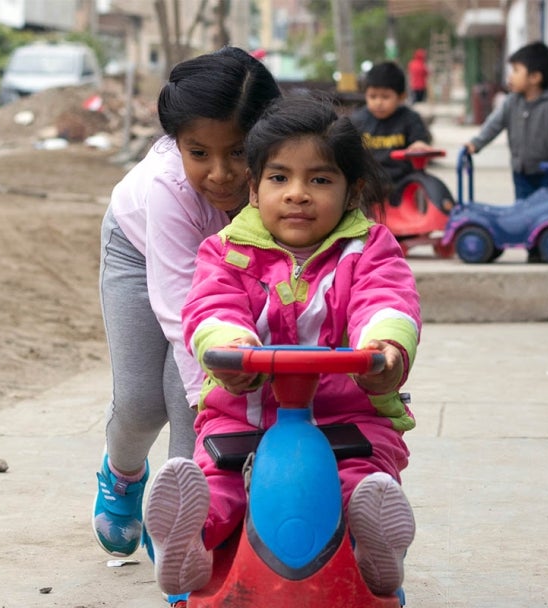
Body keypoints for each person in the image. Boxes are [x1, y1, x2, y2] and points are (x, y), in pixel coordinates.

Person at [143, 95, 421, 599]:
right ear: (253, 189)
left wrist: (385, 347)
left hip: (348, 415)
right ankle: (189, 545)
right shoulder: (226, 252)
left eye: (319, 179)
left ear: (352, 191)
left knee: (362, 480)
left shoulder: (369, 250)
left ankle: (375, 552)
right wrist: (231, 347)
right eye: (279, 178)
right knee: (218, 484)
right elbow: (211, 308)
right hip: (244, 415)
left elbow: (386, 299)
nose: (297, 194)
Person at [92, 46, 282, 564]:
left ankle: (182, 531)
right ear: (177, 144)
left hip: (227, 265)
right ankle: (123, 475)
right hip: (139, 251)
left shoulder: (284, 174)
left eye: (239, 152)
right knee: (143, 402)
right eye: (199, 153)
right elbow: (180, 314)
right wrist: (211, 402)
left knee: (184, 403)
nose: (219, 174)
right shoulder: (166, 187)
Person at [465, 41, 548, 201]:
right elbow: (494, 125)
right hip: (522, 173)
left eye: (515, 71)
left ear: (535, 77)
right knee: (523, 211)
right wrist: (476, 143)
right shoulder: (511, 102)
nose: (510, 76)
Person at [350, 61, 432, 202]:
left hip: (402, 180)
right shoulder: (357, 120)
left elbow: (420, 140)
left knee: (425, 188)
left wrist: (419, 145)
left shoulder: (410, 118)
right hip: (368, 182)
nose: (378, 102)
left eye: (385, 97)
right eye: (373, 96)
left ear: (401, 97)